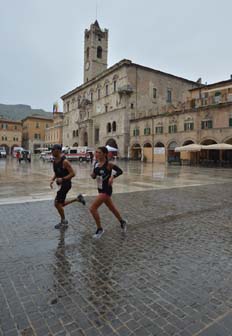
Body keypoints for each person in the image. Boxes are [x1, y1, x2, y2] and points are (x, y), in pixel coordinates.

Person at [90, 146, 127, 239]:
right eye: (96, 152)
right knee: (112, 208)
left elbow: (120, 171)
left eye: (99, 152)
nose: (96, 154)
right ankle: (122, 221)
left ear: (105, 154)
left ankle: (100, 229)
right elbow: (94, 176)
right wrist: (93, 175)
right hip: (100, 189)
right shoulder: (96, 164)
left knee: (92, 208)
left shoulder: (109, 165)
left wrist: (112, 177)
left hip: (106, 190)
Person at [50, 144, 86, 229]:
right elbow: (57, 172)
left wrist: (62, 179)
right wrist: (52, 179)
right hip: (60, 185)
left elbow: (73, 173)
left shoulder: (65, 161)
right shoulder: (55, 161)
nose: (51, 151)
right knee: (60, 204)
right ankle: (78, 199)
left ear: (58, 150)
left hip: (66, 185)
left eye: (53, 150)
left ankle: (64, 222)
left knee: (57, 204)